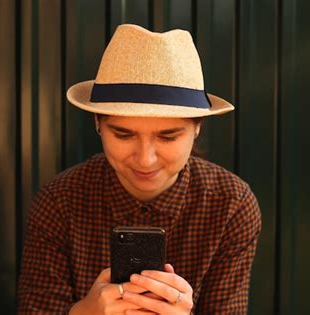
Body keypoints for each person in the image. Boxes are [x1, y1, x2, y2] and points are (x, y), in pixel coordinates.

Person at [17, 24, 261, 314]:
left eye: (168, 136)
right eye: (123, 134)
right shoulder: (59, 200)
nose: (145, 159)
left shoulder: (231, 204)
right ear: (97, 123)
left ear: (197, 127)